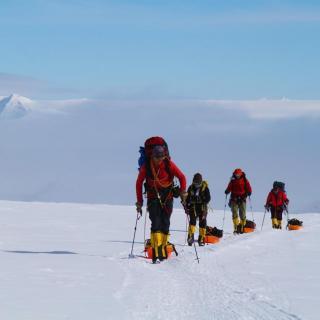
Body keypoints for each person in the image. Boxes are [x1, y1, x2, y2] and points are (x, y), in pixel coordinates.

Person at [136, 145, 187, 263]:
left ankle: (163, 248)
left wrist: (183, 192)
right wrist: (139, 201)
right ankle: (156, 248)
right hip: (153, 196)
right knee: (155, 221)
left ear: (164, 156)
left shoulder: (169, 164)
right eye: (157, 158)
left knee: (165, 222)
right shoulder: (146, 167)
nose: (159, 160)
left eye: (161, 158)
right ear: (152, 156)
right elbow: (139, 183)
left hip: (167, 195)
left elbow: (182, 177)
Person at [185, 173, 211, 246]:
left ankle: (201, 238)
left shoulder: (205, 188)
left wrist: (201, 199)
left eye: (198, 183)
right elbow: (187, 198)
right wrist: (187, 205)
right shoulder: (190, 188)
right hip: (193, 207)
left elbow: (208, 198)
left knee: (202, 222)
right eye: (195, 183)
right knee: (192, 222)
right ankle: (190, 237)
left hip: (203, 208)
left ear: (201, 182)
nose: (196, 184)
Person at [225, 168, 252, 234]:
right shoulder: (232, 180)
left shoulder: (245, 180)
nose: (237, 175)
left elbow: (249, 187)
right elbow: (229, 187)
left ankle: (242, 226)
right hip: (234, 198)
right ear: (235, 174)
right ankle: (236, 227)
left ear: (241, 173)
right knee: (234, 212)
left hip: (243, 198)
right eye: (236, 174)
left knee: (242, 213)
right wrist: (227, 191)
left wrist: (249, 192)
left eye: (238, 174)